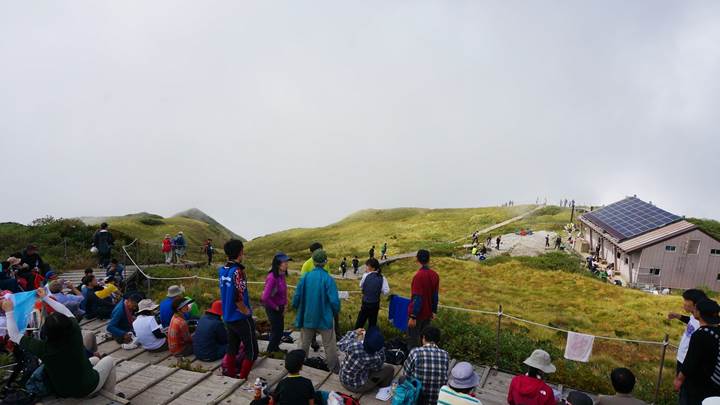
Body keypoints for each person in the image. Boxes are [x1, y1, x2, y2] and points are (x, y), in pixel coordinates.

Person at [3, 288, 119, 398]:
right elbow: (65, 311)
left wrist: (9, 311)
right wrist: (45, 297)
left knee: (95, 360)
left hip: (62, 390)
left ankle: (99, 392)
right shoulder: (75, 333)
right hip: (86, 387)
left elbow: (14, 335)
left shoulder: (43, 348)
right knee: (109, 361)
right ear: (69, 325)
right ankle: (110, 397)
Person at [292, 249, 340, 373]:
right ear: (325, 262)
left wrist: (295, 306)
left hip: (307, 316)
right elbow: (334, 301)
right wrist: (335, 312)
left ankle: (298, 366)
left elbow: (296, 296)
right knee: (329, 344)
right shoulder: (328, 279)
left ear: (313, 261)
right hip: (325, 317)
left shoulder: (305, 277)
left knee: (304, 342)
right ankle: (334, 369)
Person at [219, 239, 259, 379]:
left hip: (228, 316)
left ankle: (230, 374)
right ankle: (242, 377)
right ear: (241, 251)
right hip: (240, 317)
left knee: (232, 347)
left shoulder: (223, 270)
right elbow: (238, 296)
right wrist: (246, 311)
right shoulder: (238, 271)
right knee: (252, 351)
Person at [675, 298, 720, 405]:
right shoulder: (717, 331)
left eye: (696, 308)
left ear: (700, 313)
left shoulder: (700, 335)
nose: (693, 310)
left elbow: (690, 362)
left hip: (697, 382)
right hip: (713, 382)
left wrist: (679, 379)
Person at [337, 327, 394, 394]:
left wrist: (354, 332)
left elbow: (340, 344)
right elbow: (378, 368)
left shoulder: (353, 345)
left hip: (344, 379)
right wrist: (381, 351)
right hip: (357, 385)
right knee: (390, 369)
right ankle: (384, 388)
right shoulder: (375, 357)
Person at [403, 326, 449, 405]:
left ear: (423, 337)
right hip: (437, 400)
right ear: (437, 340)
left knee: (402, 379)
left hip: (417, 399)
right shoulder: (445, 354)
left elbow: (406, 374)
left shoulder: (415, 352)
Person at [669, 289, 707, 375]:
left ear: (695, 305)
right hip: (682, 356)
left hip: (688, 361)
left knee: (683, 385)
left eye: (686, 300)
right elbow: (690, 321)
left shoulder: (703, 323)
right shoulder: (695, 316)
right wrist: (677, 315)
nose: (684, 303)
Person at [407, 249, 439, 349]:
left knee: (413, 340)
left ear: (417, 259)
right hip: (428, 313)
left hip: (418, 314)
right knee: (424, 339)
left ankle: (412, 361)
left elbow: (417, 297)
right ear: (429, 259)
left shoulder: (418, 276)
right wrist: (433, 311)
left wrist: (413, 316)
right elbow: (435, 295)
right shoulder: (435, 275)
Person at [261, 253, 290, 354]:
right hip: (272, 308)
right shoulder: (272, 277)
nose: (287, 264)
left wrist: (285, 304)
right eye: (284, 262)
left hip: (280, 307)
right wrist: (276, 307)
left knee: (280, 330)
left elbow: (284, 291)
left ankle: (275, 348)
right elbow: (264, 297)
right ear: (278, 264)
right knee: (276, 330)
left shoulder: (281, 275)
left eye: (287, 262)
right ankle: (270, 351)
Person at [355, 258, 390, 329]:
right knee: (372, 324)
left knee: (360, 323)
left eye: (367, 266)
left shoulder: (365, 275)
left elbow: (360, 285)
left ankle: (356, 337)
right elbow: (386, 291)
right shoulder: (382, 277)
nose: (366, 267)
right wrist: (378, 290)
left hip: (365, 303)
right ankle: (371, 338)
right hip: (375, 304)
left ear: (372, 268)